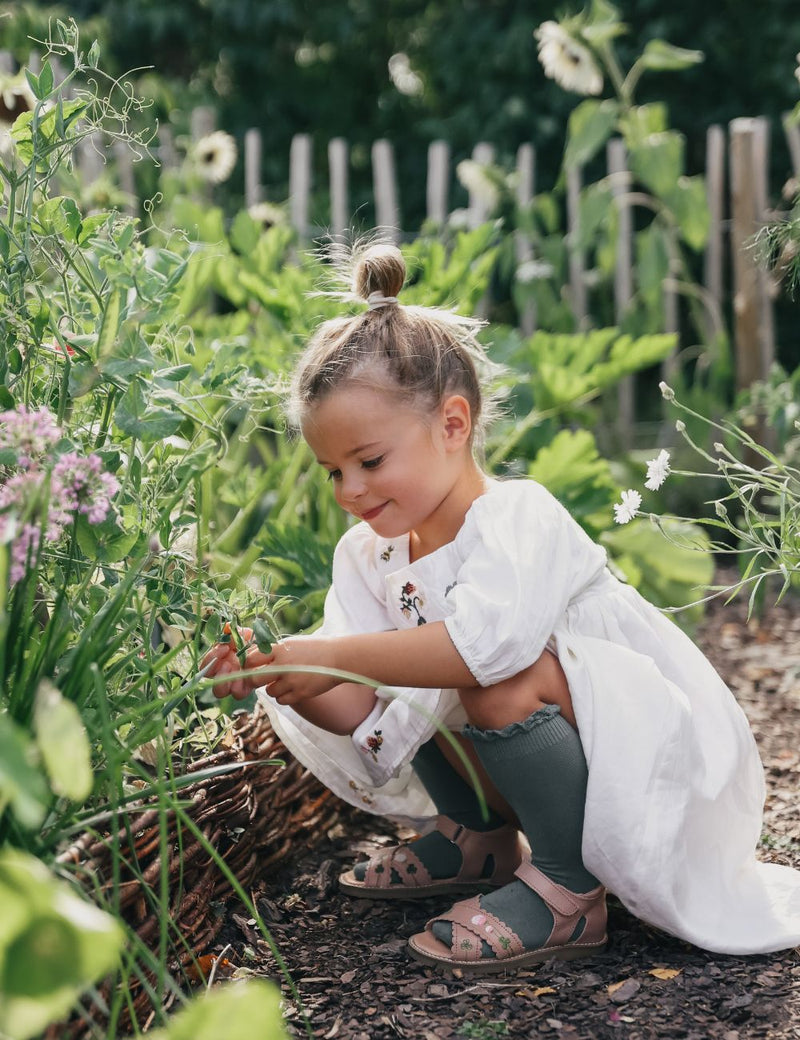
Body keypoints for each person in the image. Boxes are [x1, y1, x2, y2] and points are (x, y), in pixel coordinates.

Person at [202, 243, 800, 972]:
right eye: (332, 472)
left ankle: (567, 893)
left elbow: (484, 650)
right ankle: (476, 839)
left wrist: (330, 655)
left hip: (641, 771)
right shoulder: (368, 557)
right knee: (411, 675)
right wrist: (287, 674)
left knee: (493, 678)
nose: (348, 492)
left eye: (369, 461)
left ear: (453, 425)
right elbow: (365, 702)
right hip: (548, 762)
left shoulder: (518, 517)